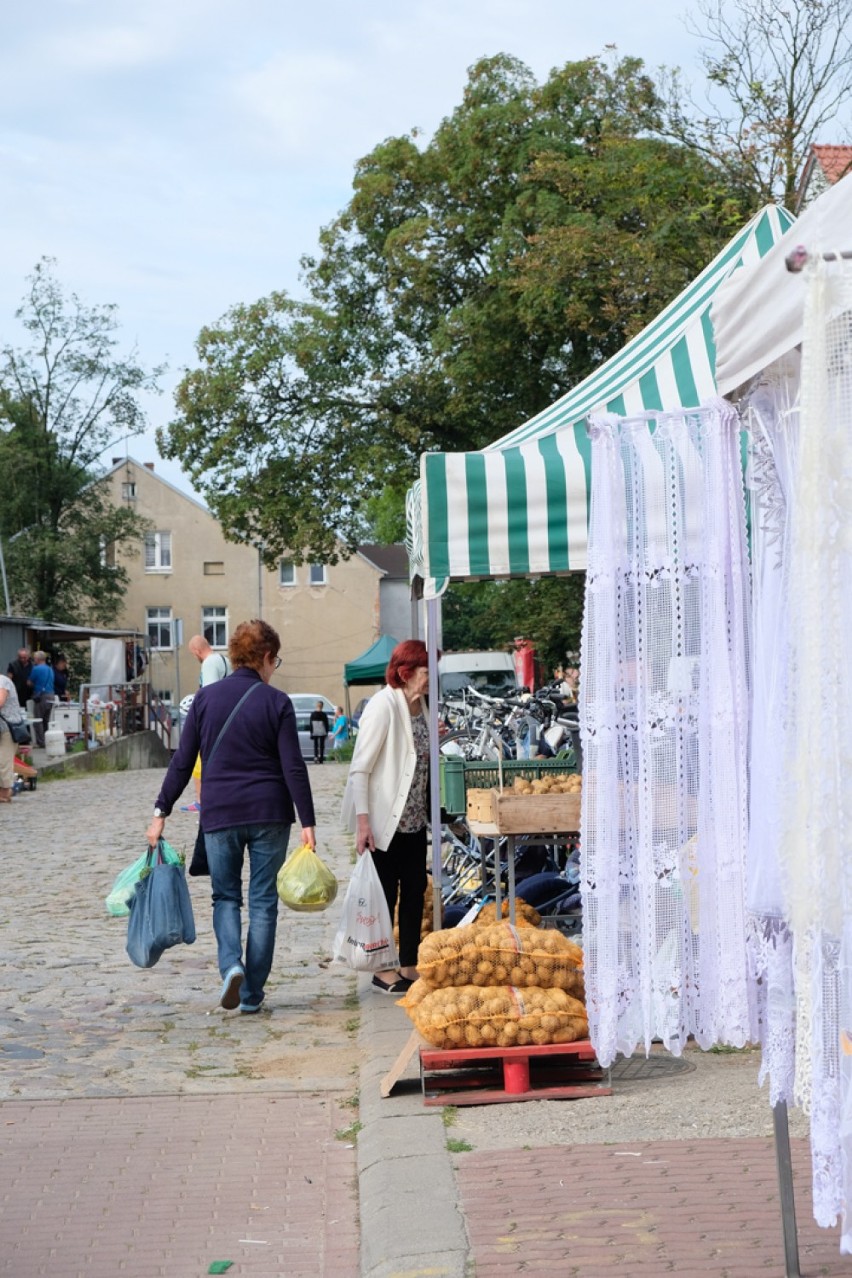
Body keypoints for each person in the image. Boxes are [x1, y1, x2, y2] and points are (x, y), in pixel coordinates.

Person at [146, 619, 316, 1014]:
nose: (275, 668)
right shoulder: (277, 702)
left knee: (225, 897)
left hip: (220, 813)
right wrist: (307, 821)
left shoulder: (205, 699)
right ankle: (252, 995)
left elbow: (182, 762)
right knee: (262, 901)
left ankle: (231, 966)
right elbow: (294, 767)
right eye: (276, 660)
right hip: (270, 813)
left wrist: (161, 811)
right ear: (266, 658)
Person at [341, 638, 432, 994]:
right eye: (426, 671)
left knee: (414, 891)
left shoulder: (422, 705)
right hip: (383, 822)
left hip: (414, 820)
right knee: (384, 897)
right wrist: (363, 823)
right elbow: (360, 770)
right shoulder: (382, 706)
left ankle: (408, 964)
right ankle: (381, 968)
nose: (430, 678)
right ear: (405, 672)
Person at [184, 634, 232, 808]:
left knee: (199, 763)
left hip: (214, 720)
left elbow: (210, 694)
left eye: (193, 654)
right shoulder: (224, 660)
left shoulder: (209, 663)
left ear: (197, 650)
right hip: (227, 716)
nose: (194, 657)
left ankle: (201, 801)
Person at [0, 672, 26, 803]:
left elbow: (0, 701)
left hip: (8, 728)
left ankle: (5, 793)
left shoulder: (2, 681)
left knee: (3, 761)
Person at [28, 651, 55, 748]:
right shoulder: (50, 669)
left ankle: (41, 742)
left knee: (38, 719)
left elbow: (29, 682)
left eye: (34, 658)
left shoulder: (36, 669)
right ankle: (48, 739)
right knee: (46, 720)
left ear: (38, 659)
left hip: (41, 696)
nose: (34, 660)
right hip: (51, 695)